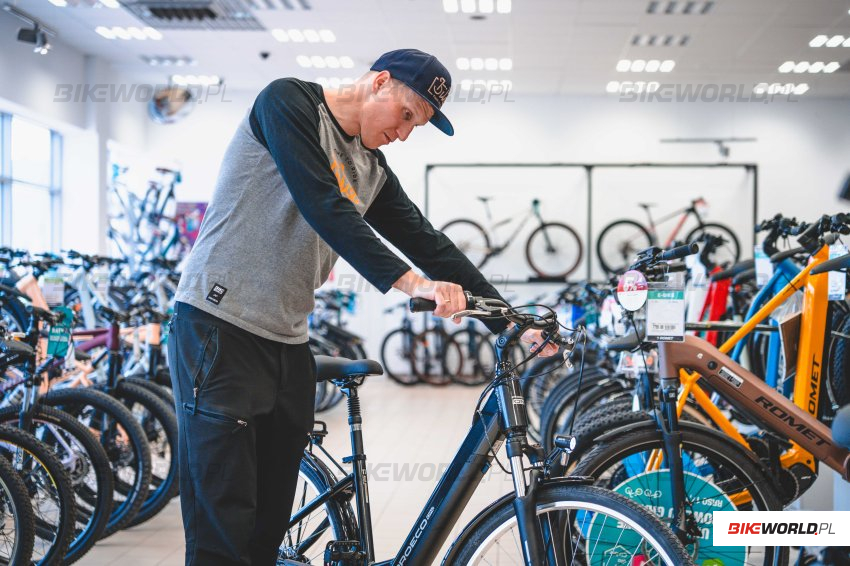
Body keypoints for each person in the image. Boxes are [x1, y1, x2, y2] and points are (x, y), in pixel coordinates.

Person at [167, 48, 558, 566]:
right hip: (219, 330)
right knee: (223, 526)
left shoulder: (371, 168)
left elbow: (429, 243)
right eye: (406, 115)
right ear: (379, 82)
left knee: (267, 527)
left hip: (288, 342)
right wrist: (412, 284)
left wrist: (509, 322)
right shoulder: (287, 103)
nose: (405, 133)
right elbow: (323, 205)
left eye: (416, 125)